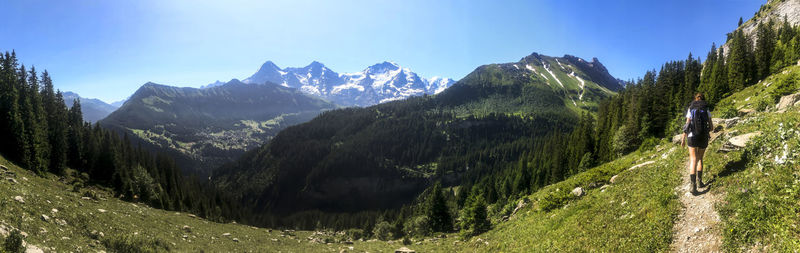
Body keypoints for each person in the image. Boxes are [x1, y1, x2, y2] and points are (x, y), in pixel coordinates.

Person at [681, 93, 712, 195]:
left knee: (693, 159)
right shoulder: (706, 109)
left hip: (692, 136)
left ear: (695, 99)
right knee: (700, 158)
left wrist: (683, 137)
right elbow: (711, 127)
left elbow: (687, 124)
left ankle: (692, 185)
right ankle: (700, 182)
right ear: (703, 99)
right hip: (703, 136)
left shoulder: (691, 108)